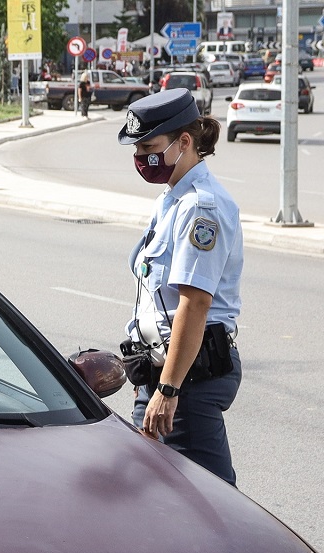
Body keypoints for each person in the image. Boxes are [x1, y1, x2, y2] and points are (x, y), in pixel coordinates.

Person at [118, 88, 243, 484]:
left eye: (149, 148)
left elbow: (194, 304)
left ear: (183, 142)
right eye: (136, 149)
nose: (140, 159)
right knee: (157, 496)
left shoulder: (199, 206)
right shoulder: (172, 198)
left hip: (188, 379)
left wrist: (168, 391)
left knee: (212, 504)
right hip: (164, 371)